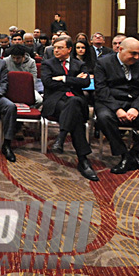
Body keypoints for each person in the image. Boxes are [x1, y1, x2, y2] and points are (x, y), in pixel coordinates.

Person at [94, 37, 139, 174]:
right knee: (104, 118)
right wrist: (117, 109)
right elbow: (101, 90)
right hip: (110, 102)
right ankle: (123, 154)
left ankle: (135, 154)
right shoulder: (103, 63)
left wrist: (136, 108)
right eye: (133, 53)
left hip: (135, 103)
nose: (137, 57)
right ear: (120, 49)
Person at [41, 36, 98, 181]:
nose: (56, 50)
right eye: (54, 48)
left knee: (73, 104)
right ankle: (83, 160)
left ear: (69, 49)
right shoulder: (48, 64)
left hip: (75, 102)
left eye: (60, 48)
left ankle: (61, 136)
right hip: (56, 102)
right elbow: (48, 83)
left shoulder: (79, 64)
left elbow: (85, 82)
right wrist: (74, 81)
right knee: (75, 112)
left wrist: (64, 78)